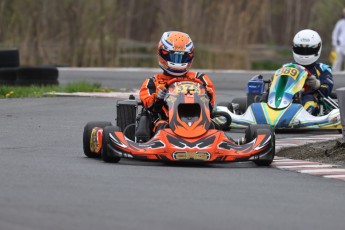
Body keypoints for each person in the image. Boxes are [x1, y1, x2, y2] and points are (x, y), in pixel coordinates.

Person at [139, 31, 216, 133]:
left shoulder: (201, 79)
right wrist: (158, 97)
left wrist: (207, 94)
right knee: (161, 127)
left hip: (200, 124)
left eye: (182, 57)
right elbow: (149, 107)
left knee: (214, 126)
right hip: (166, 125)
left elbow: (210, 107)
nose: (178, 62)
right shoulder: (152, 82)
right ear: (162, 54)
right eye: (174, 57)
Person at [288, 29, 334, 115]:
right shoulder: (287, 67)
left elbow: (327, 90)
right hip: (286, 99)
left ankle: (300, 117)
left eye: (308, 51)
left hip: (310, 100)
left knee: (309, 99)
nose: (304, 54)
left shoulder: (323, 69)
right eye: (300, 50)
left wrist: (317, 84)